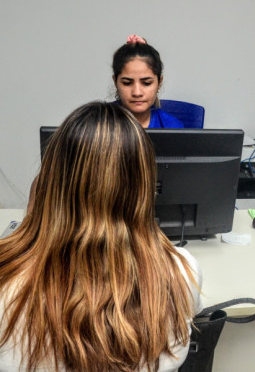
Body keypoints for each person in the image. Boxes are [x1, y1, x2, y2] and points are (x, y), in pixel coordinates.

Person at [0, 102, 201, 371]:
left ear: (50, 182)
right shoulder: (181, 271)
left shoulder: (8, 280)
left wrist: (34, 223)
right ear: (143, 189)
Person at [112, 34, 184, 128]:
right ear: (115, 82)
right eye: (127, 83)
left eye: (146, 83)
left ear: (159, 83)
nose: (137, 93)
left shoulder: (172, 127)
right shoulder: (99, 123)